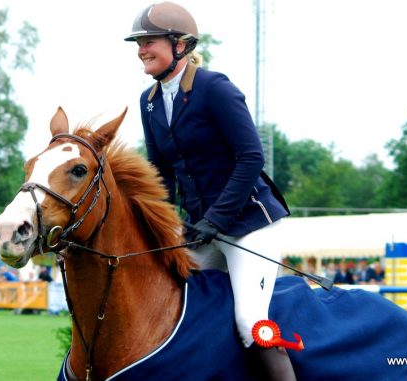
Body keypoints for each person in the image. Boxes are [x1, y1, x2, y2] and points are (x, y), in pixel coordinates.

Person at [125, 3, 295, 379]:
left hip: (249, 225)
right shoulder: (149, 102)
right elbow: (162, 176)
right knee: (175, 310)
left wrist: (215, 219)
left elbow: (251, 158)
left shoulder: (214, 88)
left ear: (181, 45)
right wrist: (164, 227)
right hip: (201, 230)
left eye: (149, 41)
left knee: (251, 320)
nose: (141, 50)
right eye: (138, 43)